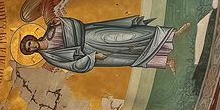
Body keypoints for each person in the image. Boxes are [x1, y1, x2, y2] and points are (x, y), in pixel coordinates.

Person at [19, 17, 181, 73]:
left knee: (128, 37)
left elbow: (75, 24)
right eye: (29, 49)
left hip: (91, 36)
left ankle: (171, 34)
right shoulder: (51, 57)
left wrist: (62, 21)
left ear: (32, 38)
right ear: (31, 53)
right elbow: (72, 65)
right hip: (89, 54)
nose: (31, 46)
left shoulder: (51, 30)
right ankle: (165, 61)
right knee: (126, 59)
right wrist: (92, 57)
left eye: (29, 43)